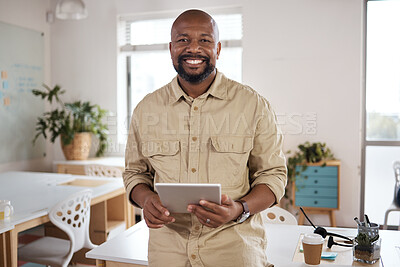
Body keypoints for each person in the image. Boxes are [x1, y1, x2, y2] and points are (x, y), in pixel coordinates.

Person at [123, 9, 287, 267]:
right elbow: (135, 173)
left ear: (218, 49)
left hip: (234, 248)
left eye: (205, 40)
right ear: (171, 48)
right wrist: (146, 200)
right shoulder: (146, 109)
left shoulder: (252, 105)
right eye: (183, 40)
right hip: (167, 251)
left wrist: (239, 209)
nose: (194, 48)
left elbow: (273, 175)